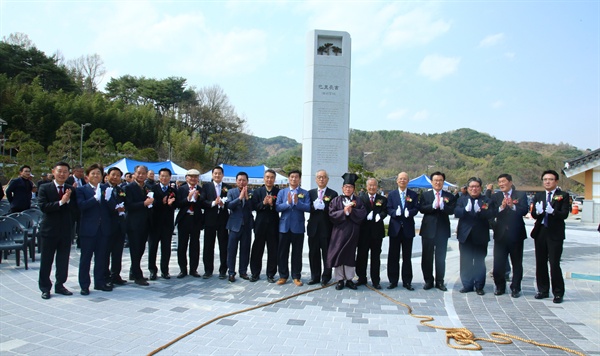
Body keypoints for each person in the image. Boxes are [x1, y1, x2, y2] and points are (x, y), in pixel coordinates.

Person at [37, 162, 78, 299]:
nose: (62, 174)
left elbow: (75, 210)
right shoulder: (44, 188)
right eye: (59, 171)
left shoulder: (70, 189)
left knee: (63, 260)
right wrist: (61, 202)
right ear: (53, 172)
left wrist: (69, 202)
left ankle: (60, 285)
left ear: (69, 174)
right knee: (46, 260)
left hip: (66, 230)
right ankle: (45, 287)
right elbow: (43, 207)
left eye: (65, 171)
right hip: (49, 230)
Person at [530, 169, 570, 304]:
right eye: (545, 179)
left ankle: (558, 292)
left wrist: (554, 212)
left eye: (550, 179)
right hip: (541, 231)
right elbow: (534, 214)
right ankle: (543, 290)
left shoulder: (563, 195)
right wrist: (538, 212)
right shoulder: (539, 196)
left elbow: (565, 214)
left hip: (555, 233)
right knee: (540, 262)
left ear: (556, 181)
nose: (547, 181)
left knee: (554, 263)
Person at [76, 164, 113, 295]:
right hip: (88, 230)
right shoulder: (81, 190)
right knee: (86, 258)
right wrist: (94, 199)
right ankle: (84, 285)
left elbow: (110, 208)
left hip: (103, 229)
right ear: (87, 176)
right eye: (93, 173)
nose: (96, 175)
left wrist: (112, 202)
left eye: (98, 173)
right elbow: (81, 206)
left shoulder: (106, 188)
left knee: (101, 258)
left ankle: (100, 282)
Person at [489, 174, 528, 298]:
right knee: (498, 264)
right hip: (500, 235)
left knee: (517, 263)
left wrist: (512, 206)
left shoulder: (520, 195)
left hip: (516, 234)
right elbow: (491, 212)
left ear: (510, 182)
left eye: (503, 181)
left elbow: (524, 211)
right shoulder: (496, 196)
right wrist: (501, 207)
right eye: (499, 182)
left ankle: (515, 288)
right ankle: (500, 286)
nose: (501, 184)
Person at [454, 177, 495, 295]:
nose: (474, 189)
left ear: (480, 188)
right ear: (467, 188)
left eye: (476, 186)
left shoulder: (486, 200)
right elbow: (456, 212)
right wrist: (464, 210)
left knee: (479, 261)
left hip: (480, 235)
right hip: (465, 235)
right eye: (471, 187)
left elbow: (491, 214)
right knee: (465, 261)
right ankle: (467, 285)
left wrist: (481, 212)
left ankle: (479, 285)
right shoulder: (462, 199)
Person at [418, 171, 457, 292]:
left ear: (443, 181)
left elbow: (452, 210)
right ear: (432, 182)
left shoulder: (449, 196)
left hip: (442, 230)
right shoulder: (426, 195)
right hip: (428, 230)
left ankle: (440, 281)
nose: (438, 182)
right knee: (427, 257)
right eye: (436, 180)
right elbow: (421, 208)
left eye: (440, 180)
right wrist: (432, 206)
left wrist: (444, 207)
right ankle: (428, 280)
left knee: (441, 257)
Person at [328, 173, 367, 290]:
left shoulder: (358, 201)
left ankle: (349, 279)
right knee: (339, 254)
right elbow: (331, 214)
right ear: (342, 188)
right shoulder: (336, 200)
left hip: (352, 232)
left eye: (350, 187)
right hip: (339, 232)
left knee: (350, 255)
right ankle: (339, 279)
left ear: (354, 189)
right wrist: (344, 212)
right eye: (346, 187)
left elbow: (362, 214)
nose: (348, 189)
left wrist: (352, 211)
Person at [275, 170, 310, 286]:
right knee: (282, 252)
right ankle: (283, 276)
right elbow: (277, 207)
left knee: (297, 253)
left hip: (298, 227)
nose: (294, 179)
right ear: (288, 179)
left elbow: (308, 207)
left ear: (299, 179)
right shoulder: (282, 192)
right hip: (284, 227)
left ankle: (296, 276)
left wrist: (297, 202)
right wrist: (288, 203)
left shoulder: (304, 193)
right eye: (291, 177)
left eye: (296, 177)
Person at [386, 172, 420, 290]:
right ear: (397, 180)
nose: (402, 181)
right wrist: (394, 213)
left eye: (405, 179)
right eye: (400, 179)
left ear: (408, 181)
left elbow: (416, 208)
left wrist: (409, 213)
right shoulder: (392, 194)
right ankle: (393, 281)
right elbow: (388, 208)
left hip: (408, 229)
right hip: (395, 229)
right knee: (393, 256)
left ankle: (407, 281)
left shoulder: (413, 194)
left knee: (407, 256)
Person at [307, 169, 338, 286]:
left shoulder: (333, 194)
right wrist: (313, 207)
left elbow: (334, 210)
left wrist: (324, 207)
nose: (321, 179)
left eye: (324, 177)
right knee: (313, 253)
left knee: (327, 254)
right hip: (313, 229)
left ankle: (326, 277)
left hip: (327, 229)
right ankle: (314, 276)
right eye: (319, 177)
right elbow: (306, 207)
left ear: (327, 179)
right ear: (315, 179)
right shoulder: (310, 193)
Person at [124, 165, 154, 286]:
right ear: (134, 174)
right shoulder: (129, 187)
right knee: (135, 249)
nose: (141, 175)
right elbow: (128, 205)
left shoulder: (147, 187)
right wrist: (144, 203)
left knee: (141, 249)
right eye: (139, 173)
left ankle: (133, 271)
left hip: (145, 223)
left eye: (143, 173)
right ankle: (137, 275)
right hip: (133, 223)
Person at [356, 178, 387, 289]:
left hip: (377, 233)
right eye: (370, 185)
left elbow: (385, 210)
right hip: (363, 233)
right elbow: (358, 211)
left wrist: (381, 216)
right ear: (366, 186)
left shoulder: (382, 199)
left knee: (375, 257)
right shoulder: (360, 198)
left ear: (377, 187)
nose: (372, 187)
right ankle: (361, 278)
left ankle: (375, 280)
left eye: (374, 185)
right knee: (361, 256)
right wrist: (364, 216)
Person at [250, 169, 280, 283]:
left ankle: (271, 274)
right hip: (260, 224)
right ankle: (255, 273)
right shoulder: (258, 191)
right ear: (264, 178)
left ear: (274, 179)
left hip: (274, 224)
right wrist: (263, 203)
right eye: (267, 177)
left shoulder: (278, 191)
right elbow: (253, 206)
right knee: (257, 249)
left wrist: (272, 204)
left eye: (272, 177)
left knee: (273, 250)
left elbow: (280, 206)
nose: (269, 179)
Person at [201, 166, 231, 279]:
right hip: (210, 220)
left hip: (223, 220)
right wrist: (213, 203)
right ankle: (208, 270)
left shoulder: (227, 187)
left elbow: (230, 202)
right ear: (212, 175)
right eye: (215, 174)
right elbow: (202, 201)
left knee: (224, 246)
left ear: (223, 175)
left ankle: (223, 270)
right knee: (208, 246)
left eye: (219, 174)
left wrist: (224, 205)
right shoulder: (206, 186)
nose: (217, 175)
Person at [225, 172, 254, 282]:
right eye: (240, 180)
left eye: (244, 180)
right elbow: (229, 206)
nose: (242, 182)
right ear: (236, 181)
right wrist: (239, 198)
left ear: (247, 181)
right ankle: (231, 272)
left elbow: (253, 208)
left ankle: (243, 271)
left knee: (245, 250)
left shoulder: (251, 192)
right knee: (232, 250)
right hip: (234, 226)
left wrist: (247, 199)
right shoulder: (231, 192)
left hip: (247, 225)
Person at [148, 168, 177, 280]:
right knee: (152, 248)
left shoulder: (172, 190)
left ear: (170, 178)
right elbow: (150, 203)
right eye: (162, 176)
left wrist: (171, 204)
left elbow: (177, 204)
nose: (164, 178)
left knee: (166, 248)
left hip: (167, 224)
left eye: (166, 176)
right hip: (154, 223)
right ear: (158, 177)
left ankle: (165, 271)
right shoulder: (152, 188)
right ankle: (152, 270)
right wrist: (162, 202)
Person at [175, 169, 203, 278]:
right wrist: (188, 198)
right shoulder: (181, 189)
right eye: (191, 177)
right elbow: (178, 204)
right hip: (184, 219)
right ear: (187, 178)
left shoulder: (201, 189)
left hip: (195, 219)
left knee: (195, 245)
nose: (193, 179)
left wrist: (197, 199)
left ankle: (193, 269)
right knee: (182, 245)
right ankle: (183, 269)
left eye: (195, 177)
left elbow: (203, 203)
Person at [104, 167, 128, 286]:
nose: (115, 177)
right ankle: (105, 276)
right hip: (107, 225)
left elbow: (125, 201)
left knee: (117, 252)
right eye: (113, 175)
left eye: (118, 175)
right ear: (107, 175)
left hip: (120, 225)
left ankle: (115, 275)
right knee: (105, 252)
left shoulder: (120, 189)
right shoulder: (103, 189)